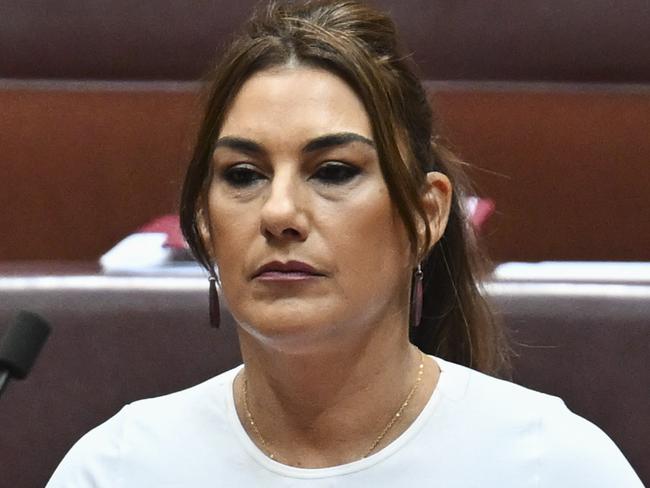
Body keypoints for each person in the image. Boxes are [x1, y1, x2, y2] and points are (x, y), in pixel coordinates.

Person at [47, 1, 642, 486]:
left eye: (332, 171)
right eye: (244, 175)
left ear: (426, 215)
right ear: (203, 222)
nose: (279, 212)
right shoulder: (118, 467)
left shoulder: (554, 466)